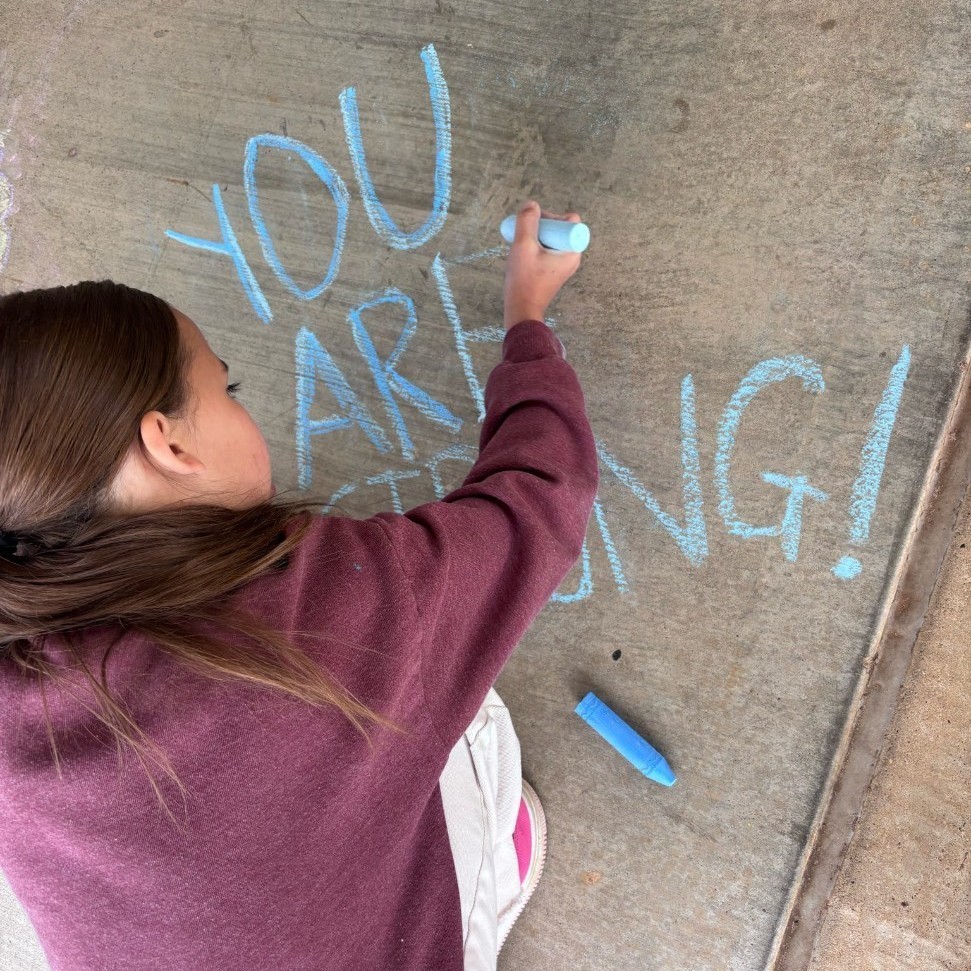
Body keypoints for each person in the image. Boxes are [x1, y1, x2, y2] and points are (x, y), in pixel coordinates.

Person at [0, 199, 598, 970]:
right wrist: (527, 317)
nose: (240, 403)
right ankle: (488, 871)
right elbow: (540, 494)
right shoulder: (330, 619)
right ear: (170, 441)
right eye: (230, 388)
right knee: (464, 696)